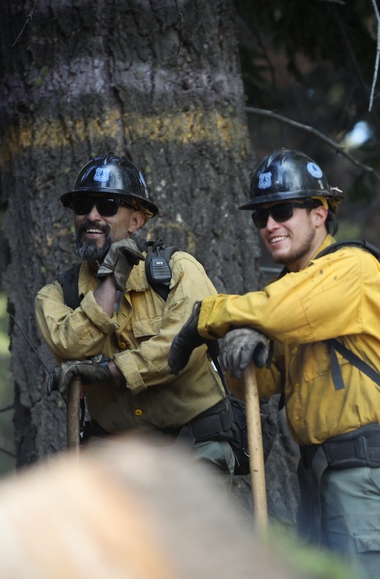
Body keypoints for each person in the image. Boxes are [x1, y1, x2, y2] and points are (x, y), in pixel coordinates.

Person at [168, 148, 380, 579]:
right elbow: (263, 383)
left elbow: (281, 309)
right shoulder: (292, 296)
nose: (269, 224)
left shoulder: (352, 268)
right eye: (262, 215)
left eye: (283, 210)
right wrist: (243, 351)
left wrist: (208, 316)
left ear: (320, 213)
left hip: (371, 476)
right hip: (326, 477)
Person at [35, 152, 237, 483]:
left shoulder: (179, 271)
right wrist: (111, 282)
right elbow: (71, 347)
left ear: (136, 221)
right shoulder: (57, 295)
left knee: (187, 533)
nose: (92, 216)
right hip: (116, 454)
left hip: (193, 443)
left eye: (108, 206)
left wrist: (107, 372)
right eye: (83, 205)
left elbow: (179, 349)